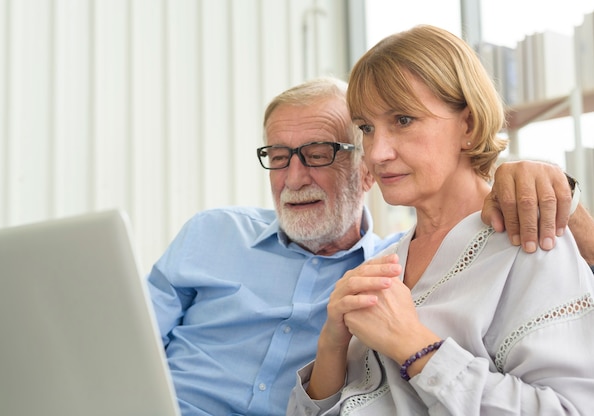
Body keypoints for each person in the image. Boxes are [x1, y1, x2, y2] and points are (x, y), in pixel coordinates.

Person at [147, 77, 593, 415]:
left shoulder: (395, 280)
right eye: (278, 157)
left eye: (318, 153)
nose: (294, 177)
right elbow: (120, 337)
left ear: (367, 172)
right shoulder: (211, 234)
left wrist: (562, 198)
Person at [287, 25, 594, 415]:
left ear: (467, 125)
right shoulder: (388, 261)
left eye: (403, 120)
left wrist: (414, 346)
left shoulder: (530, 244)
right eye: (367, 128)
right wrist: (332, 342)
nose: (377, 152)